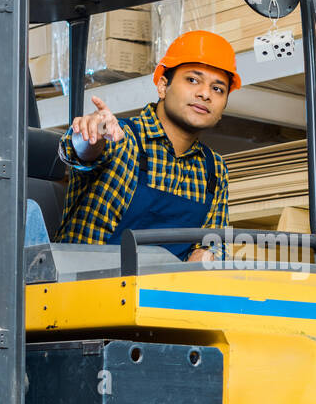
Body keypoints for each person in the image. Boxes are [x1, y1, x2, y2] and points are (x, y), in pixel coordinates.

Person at [55, 30, 240, 262]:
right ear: (163, 86)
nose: (205, 94)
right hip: (80, 291)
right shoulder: (121, 138)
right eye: (193, 80)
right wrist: (92, 132)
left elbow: (213, 244)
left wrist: (208, 255)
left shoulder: (213, 169)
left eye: (218, 89)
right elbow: (79, 151)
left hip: (158, 296)